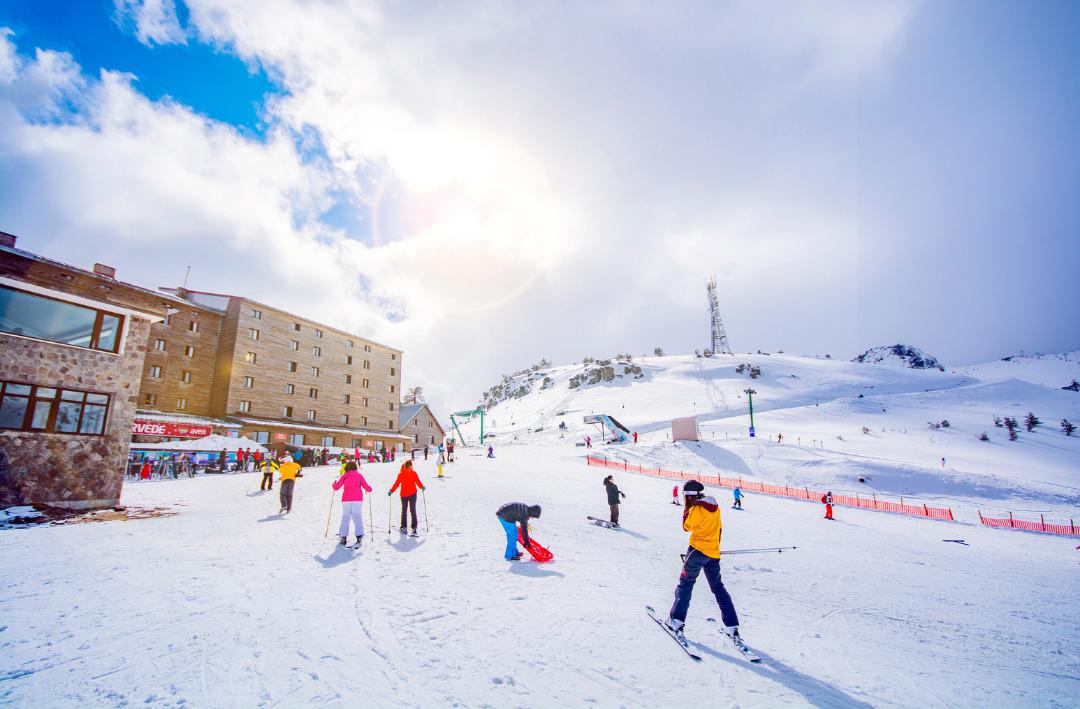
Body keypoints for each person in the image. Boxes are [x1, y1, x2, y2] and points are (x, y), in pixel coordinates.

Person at [665, 480, 743, 645]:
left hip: (697, 551)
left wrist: (687, 510)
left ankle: (676, 621)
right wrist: (713, 547)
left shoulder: (696, 509)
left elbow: (686, 527)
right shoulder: (715, 507)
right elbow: (719, 529)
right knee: (718, 588)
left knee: (685, 584)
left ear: (689, 496)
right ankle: (732, 626)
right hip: (712, 553)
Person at [333, 461, 372, 546]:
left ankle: (343, 536)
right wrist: (369, 488)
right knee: (357, 516)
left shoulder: (344, 476)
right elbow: (366, 486)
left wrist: (334, 484)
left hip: (346, 499)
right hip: (357, 499)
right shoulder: (359, 476)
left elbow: (336, 487)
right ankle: (359, 535)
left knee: (346, 517)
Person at [389, 460, 425, 533]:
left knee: (404, 510)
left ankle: (404, 526)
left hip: (405, 495)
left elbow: (396, 484)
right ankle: (413, 526)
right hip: (411, 494)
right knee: (412, 510)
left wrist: (391, 491)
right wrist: (422, 487)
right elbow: (418, 482)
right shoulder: (411, 473)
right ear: (410, 466)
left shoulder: (402, 474)